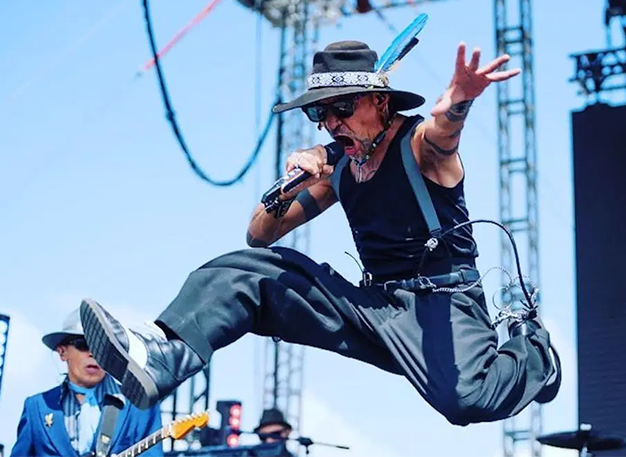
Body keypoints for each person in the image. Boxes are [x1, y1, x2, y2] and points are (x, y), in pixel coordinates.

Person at [79, 37, 561, 427]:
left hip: (442, 302)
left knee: (466, 402)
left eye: (343, 108)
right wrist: (288, 186)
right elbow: (259, 235)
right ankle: (166, 353)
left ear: (379, 101)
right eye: (320, 114)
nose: (332, 123)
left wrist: (457, 105)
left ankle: (536, 352)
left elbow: (443, 136)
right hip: (375, 308)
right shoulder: (338, 169)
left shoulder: (419, 145)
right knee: (252, 274)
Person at [9, 309, 163, 457]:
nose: (93, 353)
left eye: (101, 345)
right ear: (62, 352)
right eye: (83, 344)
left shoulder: (141, 405)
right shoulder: (36, 407)